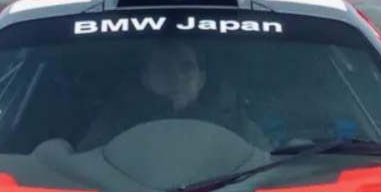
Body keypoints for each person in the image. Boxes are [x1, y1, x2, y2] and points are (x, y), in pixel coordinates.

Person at [78, 39, 266, 148]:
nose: (175, 77)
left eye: (187, 68)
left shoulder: (235, 125)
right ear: (146, 78)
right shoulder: (115, 124)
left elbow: (266, 166)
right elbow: (86, 170)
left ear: (202, 80)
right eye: (163, 67)